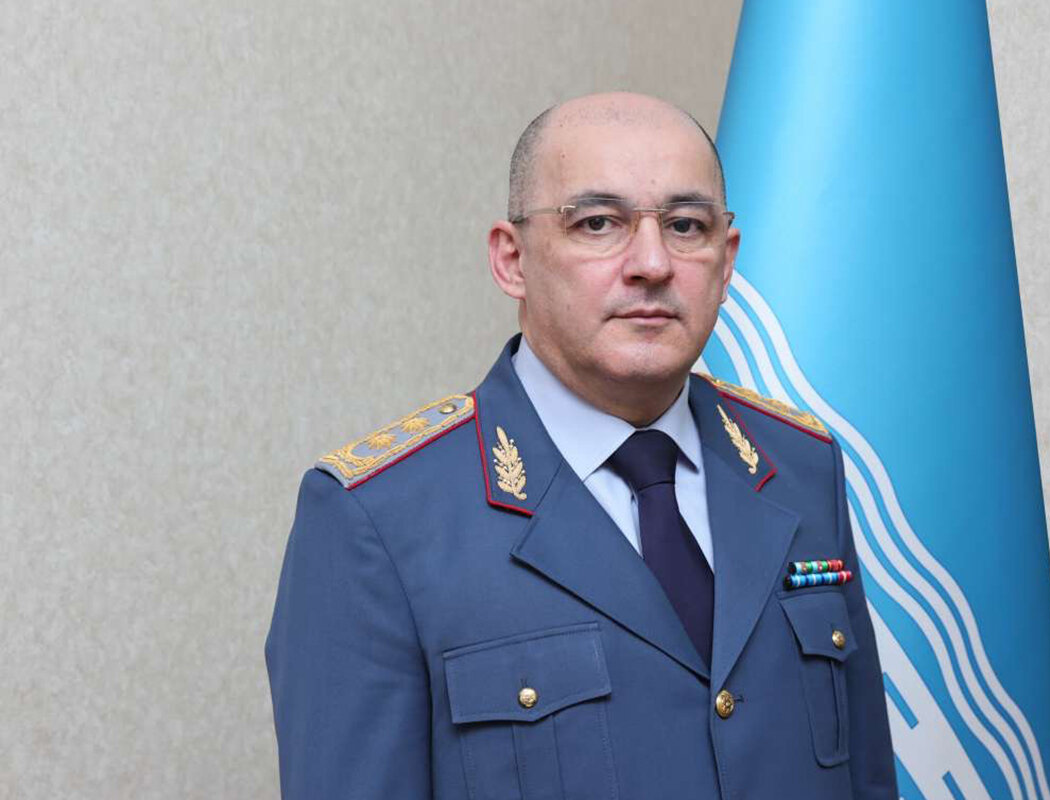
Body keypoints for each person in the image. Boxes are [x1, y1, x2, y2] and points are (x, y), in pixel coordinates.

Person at [265, 91, 898, 800]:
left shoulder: (798, 466)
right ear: (512, 260)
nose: (652, 263)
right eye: (598, 223)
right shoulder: (378, 520)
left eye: (686, 226)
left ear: (726, 263)